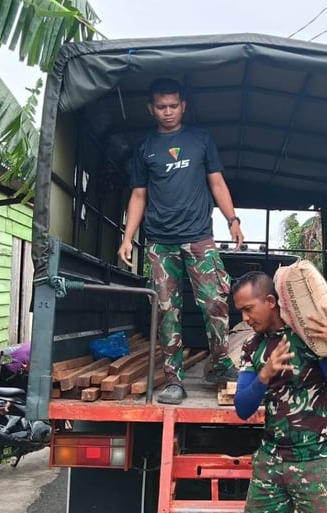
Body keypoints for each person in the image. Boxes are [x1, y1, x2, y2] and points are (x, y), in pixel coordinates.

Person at [117, 77, 245, 405]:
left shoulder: (200, 140)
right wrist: (128, 237)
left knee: (216, 300)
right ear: (151, 109)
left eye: (173, 106)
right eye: (161, 107)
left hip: (199, 236)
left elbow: (217, 183)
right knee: (165, 310)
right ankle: (174, 379)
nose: (168, 112)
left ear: (183, 106)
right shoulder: (145, 149)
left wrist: (233, 220)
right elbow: (138, 195)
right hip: (160, 243)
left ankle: (219, 363)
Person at [232, 271, 327, 513]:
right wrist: (264, 375)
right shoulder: (252, 347)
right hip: (271, 461)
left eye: (248, 309)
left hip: (317, 461)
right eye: (241, 312)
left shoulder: (309, 338)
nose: (245, 318)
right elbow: (242, 408)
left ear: (270, 301)